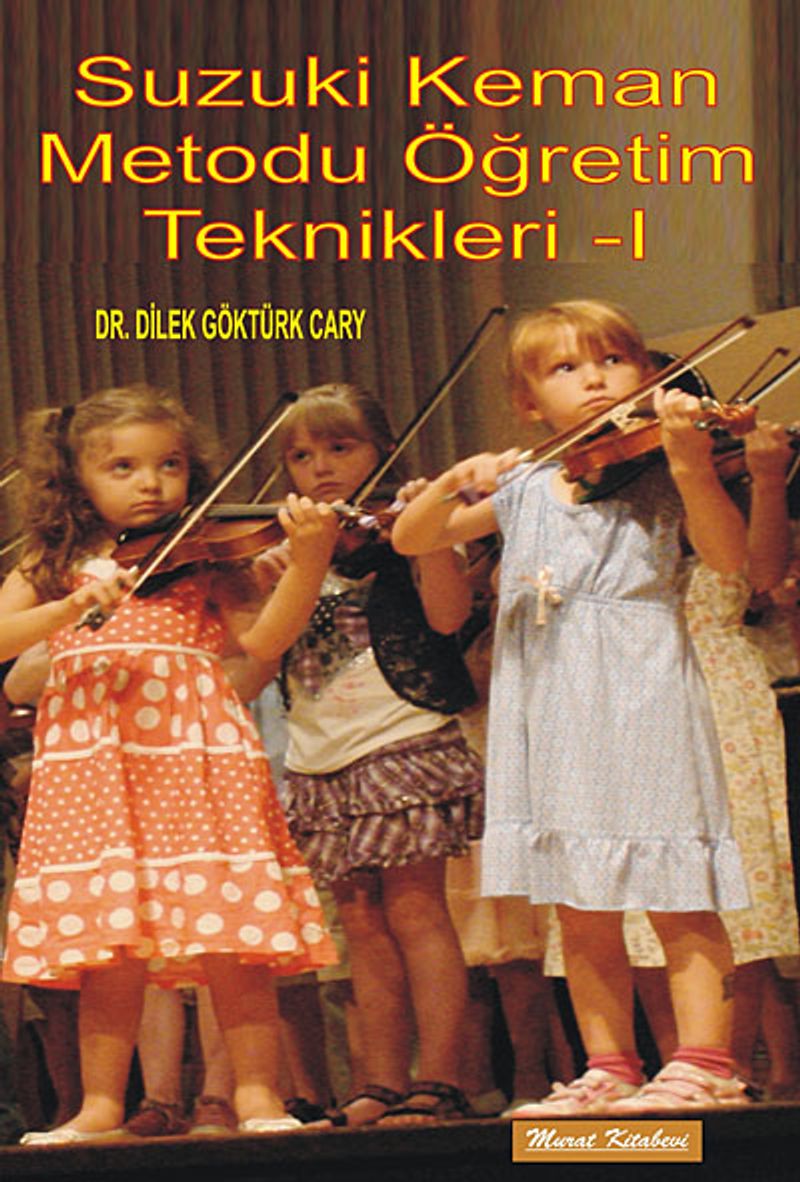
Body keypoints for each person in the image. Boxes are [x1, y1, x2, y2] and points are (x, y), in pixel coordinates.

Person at [393, 299, 754, 1114]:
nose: (595, 379)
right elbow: (413, 538)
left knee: (677, 885)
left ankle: (705, 1064)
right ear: (528, 402)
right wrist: (452, 480)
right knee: (579, 901)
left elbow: (729, 559)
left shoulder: (661, 464)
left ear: (647, 374)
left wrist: (692, 464)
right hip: (550, 704)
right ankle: (608, 1067)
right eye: (567, 368)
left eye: (614, 360)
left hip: (643, 690)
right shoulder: (527, 484)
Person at [0, 384, 338, 1144]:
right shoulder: (51, 563)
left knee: (231, 940)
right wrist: (72, 607)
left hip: (196, 758)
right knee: (107, 948)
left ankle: (258, 1095)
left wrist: (310, 560)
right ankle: (99, 1107)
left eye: (170, 464)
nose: (151, 484)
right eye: (122, 467)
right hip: (94, 770)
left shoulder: (206, 556)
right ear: (76, 477)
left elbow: (265, 641)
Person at [260, 383, 483, 1127]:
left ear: (383, 449)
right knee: (358, 923)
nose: (320, 468)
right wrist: (291, 566)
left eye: (339, 447)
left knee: (417, 911)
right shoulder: (290, 547)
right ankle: (379, 1081)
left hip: (401, 736)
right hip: (319, 755)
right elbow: (263, 646)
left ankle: (440, 1077)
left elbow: (448, 618)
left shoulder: (410, 526)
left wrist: (430, 534)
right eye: (301, 456)